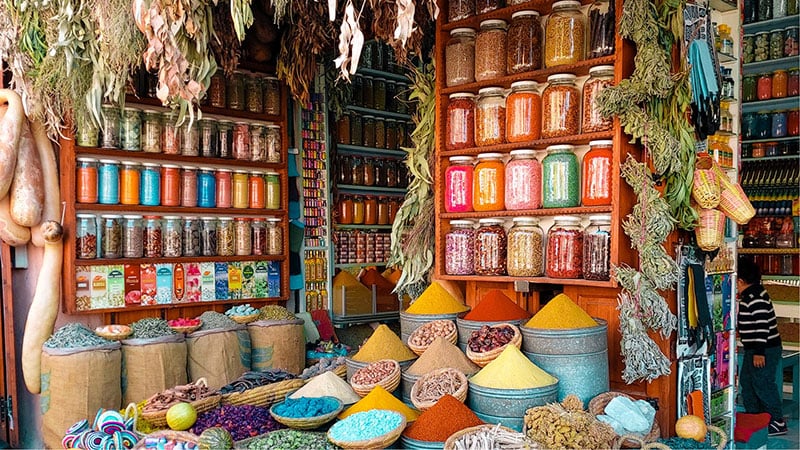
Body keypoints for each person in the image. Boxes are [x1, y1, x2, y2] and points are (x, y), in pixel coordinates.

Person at [737, 257, 787, 436]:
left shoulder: (755, 297)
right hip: (754, 349)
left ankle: (776, 420)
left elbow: (762, 325)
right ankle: (756, 418)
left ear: (740, 280)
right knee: (748, 382)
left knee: (763, 383)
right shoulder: (751, 294)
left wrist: (759, 352)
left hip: (764, 349)